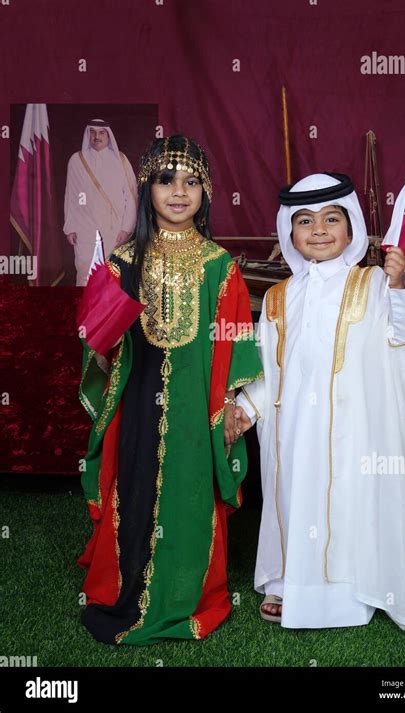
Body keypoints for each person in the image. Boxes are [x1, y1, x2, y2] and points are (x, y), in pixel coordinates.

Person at [77, 135, 263, 644]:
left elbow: (234, 341)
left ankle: (186, 597)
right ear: (146, 189)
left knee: (190, 493)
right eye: (166, 180)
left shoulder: (219, 267)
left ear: (206, 192)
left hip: (194, 406)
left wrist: (228, 405)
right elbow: (103, 349)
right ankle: (128, 588)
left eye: (191, 181)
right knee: (133, 487)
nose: (179, 191)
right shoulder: (122, 262)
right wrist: (97, 346)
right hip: (135, 402)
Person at [233, 172, 405, 631]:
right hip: (296, 432)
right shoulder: (279, 297)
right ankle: (289, 583)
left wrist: (400, 286)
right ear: (290, 232)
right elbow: (270, 366)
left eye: (330, 218)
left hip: (353, 430)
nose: (318, 230)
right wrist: (247, 408)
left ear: (351, 229)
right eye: (304, 220)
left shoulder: (373, 283)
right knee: (294, 496)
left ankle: (351, 590)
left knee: (349, 500)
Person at [63, 119, 137, 285]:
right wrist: (70, 227)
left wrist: (126, 228)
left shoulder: (121, 160)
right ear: (87, 134)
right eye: (92, 132)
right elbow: (72, 195)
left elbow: (131, 197)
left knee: (113, 274)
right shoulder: (77, 160)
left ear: (108, 135)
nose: (97, 136)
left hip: (114, 228)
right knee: (85, 274)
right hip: (85, 227)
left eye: (101, 132)